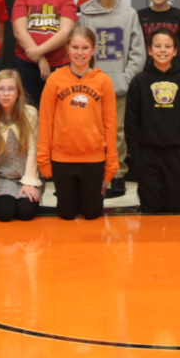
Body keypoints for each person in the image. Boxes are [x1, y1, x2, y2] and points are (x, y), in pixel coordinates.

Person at [37, 26, 118, 220]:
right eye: (75, 47)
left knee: (91, 214)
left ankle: (98, 192)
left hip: (94, 159)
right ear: (67, 48)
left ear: (93, 49)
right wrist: (43, 159)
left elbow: (111, 124)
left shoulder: (103, 81)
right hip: (62, 159)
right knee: (66, 214)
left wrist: (111, 162)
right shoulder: (55, 79)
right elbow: (45, 122)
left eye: (85, 48)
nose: (80, 53)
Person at [77, 0, 145, 197]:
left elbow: (138, 52)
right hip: (92, 85)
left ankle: (118, 175)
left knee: (118, 131)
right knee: (91, 130)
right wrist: (88, 80)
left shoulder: (129, 13)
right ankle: (94, 174)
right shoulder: (86, 15)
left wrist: (125, 80)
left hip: (120, 86)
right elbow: (81, 50)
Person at [125, 27, 180, 214]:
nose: (162, 50)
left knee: (179, 206)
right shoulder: (139, 81)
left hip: (177, 153)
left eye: (168, 46)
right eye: (157, 46)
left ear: (175, 51)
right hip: (147, 154)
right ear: (149, 50)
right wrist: (137, 154)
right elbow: (131, 122)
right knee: (152, 208)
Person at [11, 0, 77, 106]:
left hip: (60, 64)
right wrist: (40, 59)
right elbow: (19, 32)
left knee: (59, 110)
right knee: (29, 111)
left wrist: (39, 52)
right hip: (27, 65)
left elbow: (65, 32)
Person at [0, 69, 43, 222]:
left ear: (19, 92)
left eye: (11, 89)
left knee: (25, 213)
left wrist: (29, 182)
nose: (6, 93)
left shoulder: (30, 113)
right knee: (5, 213)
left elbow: (33, 150)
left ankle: (26, 192)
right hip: (4, 178)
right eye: (1, 89)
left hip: (27, 176)